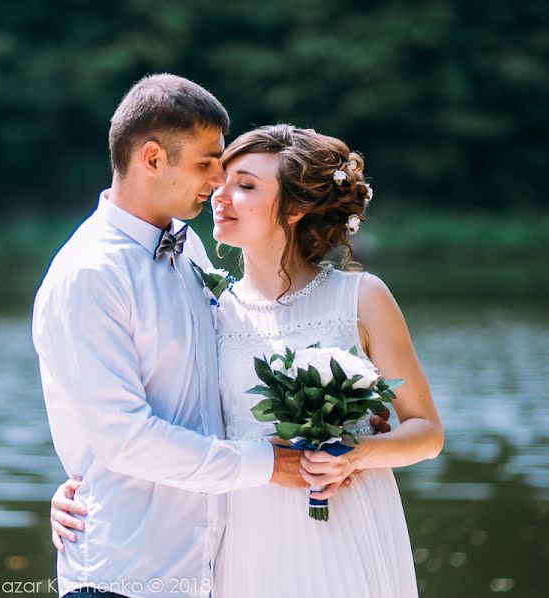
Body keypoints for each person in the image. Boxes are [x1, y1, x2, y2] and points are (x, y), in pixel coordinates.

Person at [50, 124, 443, 598]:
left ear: (294, 210)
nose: (221, 193)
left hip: (346, 518)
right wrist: (88, 483)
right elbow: (146, 405)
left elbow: (426, 433)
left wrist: (358, 455)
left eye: (247, 186)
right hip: (243, 534)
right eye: (223, 178)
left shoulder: (361, 297)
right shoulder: (212, 305)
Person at [32, 75, 324, 598]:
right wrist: (265, 465)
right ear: (151, 159)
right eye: (206, 163)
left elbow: (225, 373)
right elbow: (125, 440)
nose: (219, 180)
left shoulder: (187, 247)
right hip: (124, 573)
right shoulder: (88, 275)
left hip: (205, 569)